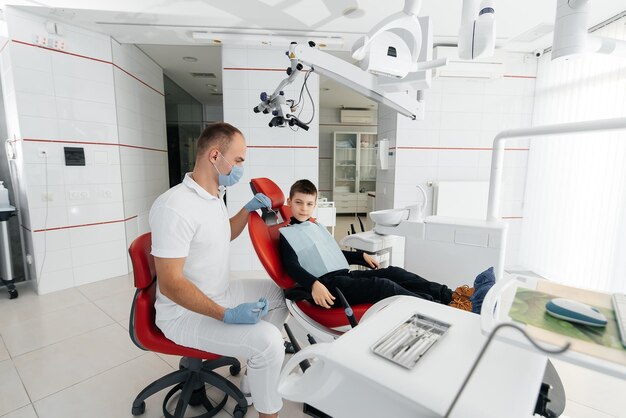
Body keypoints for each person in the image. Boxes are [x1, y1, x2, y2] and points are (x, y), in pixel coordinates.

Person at [150, 123, 288, 418]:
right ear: (215, 156)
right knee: (270, 342)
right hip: (185, 315)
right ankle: (268, 411)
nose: (240, 167)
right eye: (238, 160)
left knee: (280, 293)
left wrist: (247, 210)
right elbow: (171, 284)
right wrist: (226, 315)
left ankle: (256, 376)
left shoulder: (213, 196)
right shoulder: (174, 207)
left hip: (219, 291)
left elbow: (221, 233)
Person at [279, 179, 495, 313]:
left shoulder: (314, 226)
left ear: (315, 204)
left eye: (309, 204)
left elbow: (332, 253)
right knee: (383, 286)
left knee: (394, 272)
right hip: (328, 290)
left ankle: (453, 296)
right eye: (298, 202)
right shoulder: (287, 234)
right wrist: (314, 285)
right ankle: (443, 309)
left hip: (342, 279)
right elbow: (292, 266)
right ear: (289, 202)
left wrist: (359, 257)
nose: (304, 208)